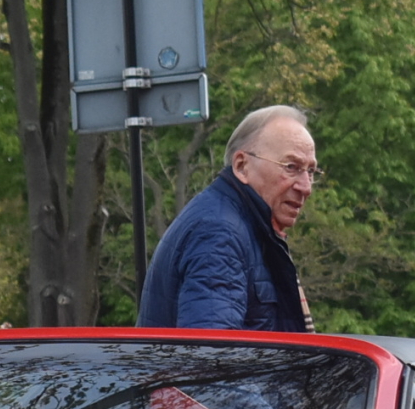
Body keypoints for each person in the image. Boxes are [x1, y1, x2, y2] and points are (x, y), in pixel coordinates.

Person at [136, 105, 317, 332]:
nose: (306, 187)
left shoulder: (240, 226)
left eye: (311, 171)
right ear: (241, 166)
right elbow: (210, 357)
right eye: (291, 167)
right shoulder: (219, 234)